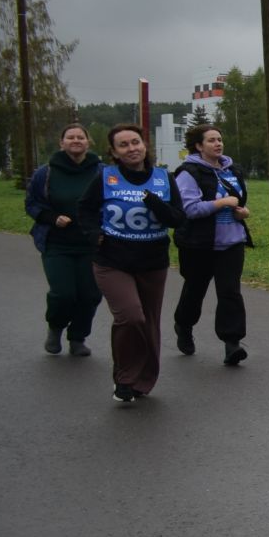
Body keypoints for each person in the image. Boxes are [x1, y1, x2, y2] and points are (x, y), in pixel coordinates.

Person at [84, 124, 187, 403]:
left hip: (152, 261)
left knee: (150, 322)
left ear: (145, 145)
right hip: (112, 260)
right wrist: (95, 236)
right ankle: (124, 377)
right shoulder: (106, 177)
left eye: (135, 142)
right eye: (124, 145)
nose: (131, 149)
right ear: (114, 152)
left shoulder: (163, 178)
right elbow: (85, 211)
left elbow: (177, 218)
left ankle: (143, 381)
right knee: (131, 316)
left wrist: (155, 204)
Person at [170, 123, 251, 366]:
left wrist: (243, 212)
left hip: (231, 242)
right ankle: (184, 325)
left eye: (219, 139)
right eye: (211, 140)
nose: (218, 144)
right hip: (199, 244)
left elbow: (240, 201)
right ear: (198, 146)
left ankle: (232, 343)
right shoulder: (189, 172)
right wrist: (222, 203)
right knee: (195, 290)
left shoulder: (231, 170)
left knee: (230, 292)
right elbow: (190, 209)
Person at [25, 123, 103, 356]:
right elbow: (32, 204)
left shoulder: (101, 171)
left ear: (88, 142)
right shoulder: (46, 172)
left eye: (81, 137)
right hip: (57, 243)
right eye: (70, 137)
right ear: (62, 143)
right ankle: (56, 327)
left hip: (91, 244)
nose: (76, 140)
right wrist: (51, 217)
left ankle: (78, 338)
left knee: (90, 294)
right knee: (63, 293)